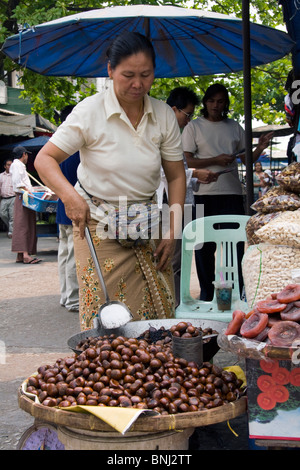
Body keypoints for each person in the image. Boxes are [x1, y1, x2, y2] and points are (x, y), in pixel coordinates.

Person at [34, 32, 186, 330]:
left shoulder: (164, 115)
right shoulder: (89, 111)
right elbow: (44, 159)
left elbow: (176, 174)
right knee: (106, 315)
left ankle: (154, 374)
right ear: (110, 71)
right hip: (97, 224)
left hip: (147, 222)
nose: (137, 84)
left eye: (146, 75)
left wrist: (172, 228)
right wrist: (71, 198)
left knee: (158, 312)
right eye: (128, 75)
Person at [181, 83, 273, 301]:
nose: (216, 105)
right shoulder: (194, 127)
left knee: (237, 243)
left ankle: (239, 291)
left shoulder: (234, 127)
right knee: (204, 247)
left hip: (231, 192)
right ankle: (206, 294)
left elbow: (245, 157)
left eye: (221, 101)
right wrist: (215, 159)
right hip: (203, 193)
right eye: (212, 101)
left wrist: (259, 147)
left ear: (226, 104)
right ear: (205, 103)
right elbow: (186, 160)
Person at [162, 86, 218, 306]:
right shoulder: (160, 135)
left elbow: (179, 175)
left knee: (184, 257)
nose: (189, 120)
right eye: (187, 114)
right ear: (174, 110)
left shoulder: (175, 134)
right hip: (169, 205)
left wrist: (197, 179)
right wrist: (194, 172)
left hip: (185, 204)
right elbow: (162, 174)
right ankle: (173, 304)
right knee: (173, 257)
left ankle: (180, 300)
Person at [56, 106, 80, 313]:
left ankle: (65, 296)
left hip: (61, 208)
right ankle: (73, 299)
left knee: (64, 255)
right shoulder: (73, 146)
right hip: (74, 208)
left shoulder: (56, 143)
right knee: (72, 255)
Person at [9, 146, 41, 264]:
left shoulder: (19, 165)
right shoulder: (17, 165)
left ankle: (21, 255)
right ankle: (26, 255)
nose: (27, 157)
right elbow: (19, 183)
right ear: (24, 154)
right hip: (23, 197)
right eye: (27, 155)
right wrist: (29, 191)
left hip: (25, 196)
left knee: (26, 224)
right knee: (23, 226)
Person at [0, 159, 15, 238]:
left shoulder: (14, 175)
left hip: (13, 197)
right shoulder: (1, 176)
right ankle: (10, 227)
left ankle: (11, 232)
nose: (10, 166)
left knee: (12, 216)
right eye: (8, 165)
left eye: (11, 165)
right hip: (4, 198)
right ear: (5, 166)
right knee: (2, 214)